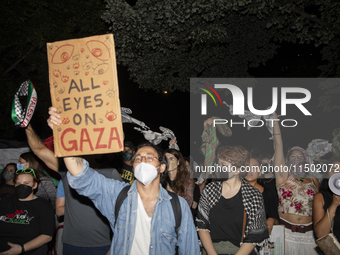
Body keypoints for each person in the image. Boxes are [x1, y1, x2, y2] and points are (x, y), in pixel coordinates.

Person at [24, 123, 122, 255]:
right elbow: (39, 150)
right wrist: (27, 126)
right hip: (71, 243)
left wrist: (114, 247)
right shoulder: (67, 171)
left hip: (101, 244)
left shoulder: (109, 173)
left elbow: (122, 212)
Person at [196, 145, 269, 255]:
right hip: (211, 251)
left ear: (237, 170)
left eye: (223, 165)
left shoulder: (253, 195)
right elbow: (202, 225)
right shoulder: (210, 190)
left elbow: (255, 234)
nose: (218, 167)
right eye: (218, 163)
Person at [273, 113, 319, 254]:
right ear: (287, 161)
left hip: (310, 236)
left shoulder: (313, 180)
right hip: (286, 234)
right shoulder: (283, 176)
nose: (297, 159)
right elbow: (278, 144)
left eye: (300, 157)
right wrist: (275, 120)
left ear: (306, 161)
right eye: (293, 157)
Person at [0, 168, 55, 254]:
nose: (21, 186)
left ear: (34, 185)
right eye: (18, 183)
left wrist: (21, 249)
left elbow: (47, 235)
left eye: (26, 183)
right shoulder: (5, 201)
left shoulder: (43, 206)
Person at [244, 157, 280, 235]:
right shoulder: (234, 191)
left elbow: (276, 220)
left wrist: (271, 220)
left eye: (254, 167)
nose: (249, 170)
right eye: (246, 166)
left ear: (260, 173)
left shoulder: (268, 194)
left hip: (260, 238)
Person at [313, 158, 340, 240]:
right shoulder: (320, 197)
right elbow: (321, 234)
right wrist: (334, 205)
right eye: (334, 170)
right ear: (328, 175)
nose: (338, 174)